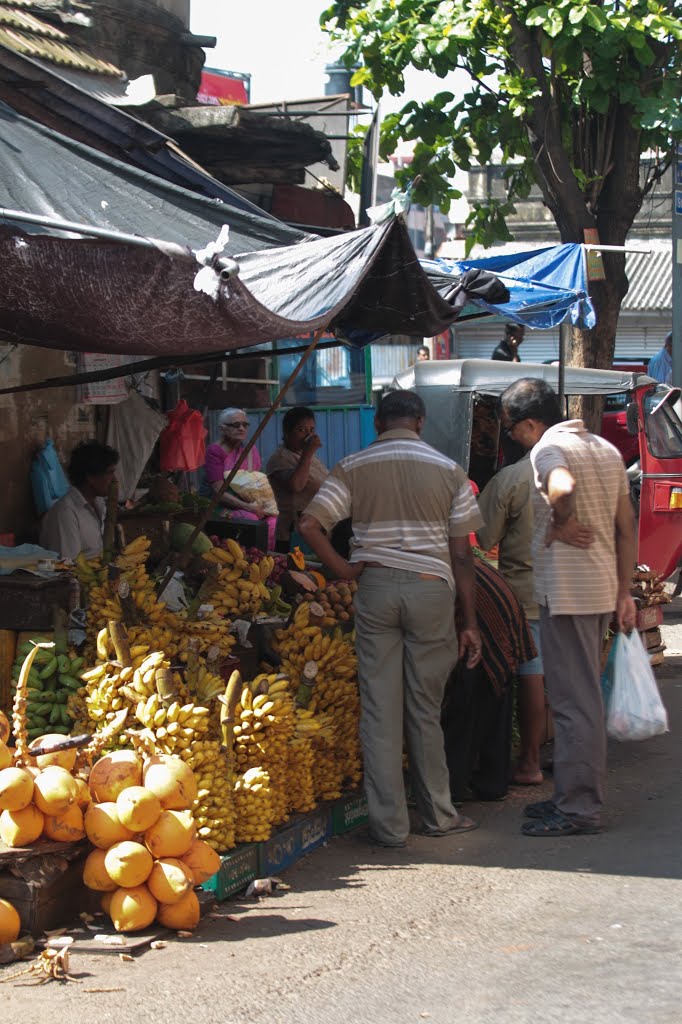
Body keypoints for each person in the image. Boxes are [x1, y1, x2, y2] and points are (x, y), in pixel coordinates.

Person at [299, 389, 483, 848]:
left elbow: (308, 524)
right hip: (430, 589)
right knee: (424, 709)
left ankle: (390, 828)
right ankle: (439, 815)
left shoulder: (354, 466)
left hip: (376, 589)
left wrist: (341, 569)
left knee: (380, 712)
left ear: (379, 424)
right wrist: (470, 621)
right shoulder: (450, 471)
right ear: (419, 422)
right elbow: (463, 557)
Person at [499, 378, 637, 837]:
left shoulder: (547, 450)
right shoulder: (602, 447)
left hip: (568, 595)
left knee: (574, 704)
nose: (513, 437)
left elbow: (562, 484)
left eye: (512, 428)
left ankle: (578, 808)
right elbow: (626, 525)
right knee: (583, 699)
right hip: (598, 590)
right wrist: (623, 591)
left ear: (532, 423)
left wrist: (563, 519)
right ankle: (570, 798)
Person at [476, 450, 546, 787]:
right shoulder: (594, 463)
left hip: (527, 593)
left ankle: (530, 760)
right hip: (581, 592)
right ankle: (573, 758)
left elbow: (479, 536)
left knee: (532, 673)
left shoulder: (514, 478)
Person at [442, 556, 536, 803]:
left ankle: (453, 787)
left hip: (482, 617)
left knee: (464, 704)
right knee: (493, 698)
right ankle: (491, 782)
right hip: (499, 607)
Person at [203, 407, 276, 549]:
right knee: (250, 519)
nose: (241, 428)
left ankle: (266, 561)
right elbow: (218, 491)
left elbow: (255, 483)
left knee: (272, 520)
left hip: (248, 502)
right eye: (236, 425)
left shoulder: (249, 449)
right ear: (222, 428)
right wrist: (250, 507)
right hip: (219, 505)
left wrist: (264, 505)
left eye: (245, 425)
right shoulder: (214, 451)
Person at [39, 440, 119, 560]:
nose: (114, 480)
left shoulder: (101, 504)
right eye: (110, 473)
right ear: (90, 477)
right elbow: (66, 566)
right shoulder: (65, 513)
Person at [266, 407, 328, 552]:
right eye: (302, 430)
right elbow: (296, 485)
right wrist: (308, 452)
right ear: (287, 432)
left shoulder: (308, 457)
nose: (308, 436)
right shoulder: (280, 458)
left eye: (312, 430)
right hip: (294, 534)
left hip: (316, 530)